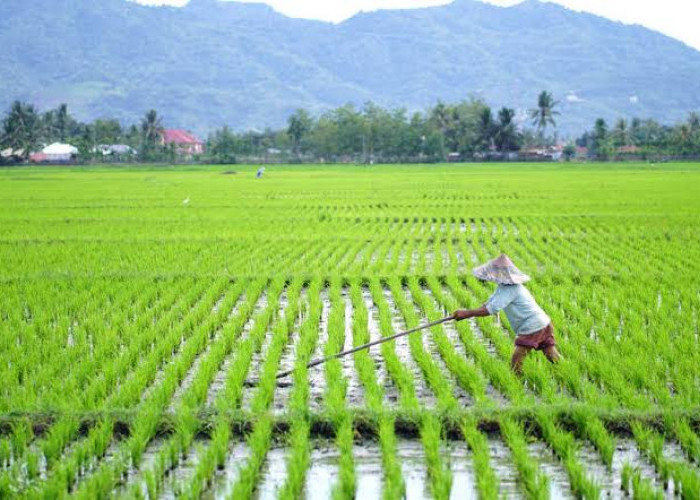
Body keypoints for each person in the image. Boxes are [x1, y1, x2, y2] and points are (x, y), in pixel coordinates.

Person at [452, 254, 560, 376]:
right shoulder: (503, 287)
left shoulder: (511, 289)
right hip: (543, 322)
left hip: (532, 326)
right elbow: (489, 304)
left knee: (516, 360)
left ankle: (517, 385)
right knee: (551, 353)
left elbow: (491, 309)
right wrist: (466, 312)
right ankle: (565, 371)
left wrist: (466, 314)